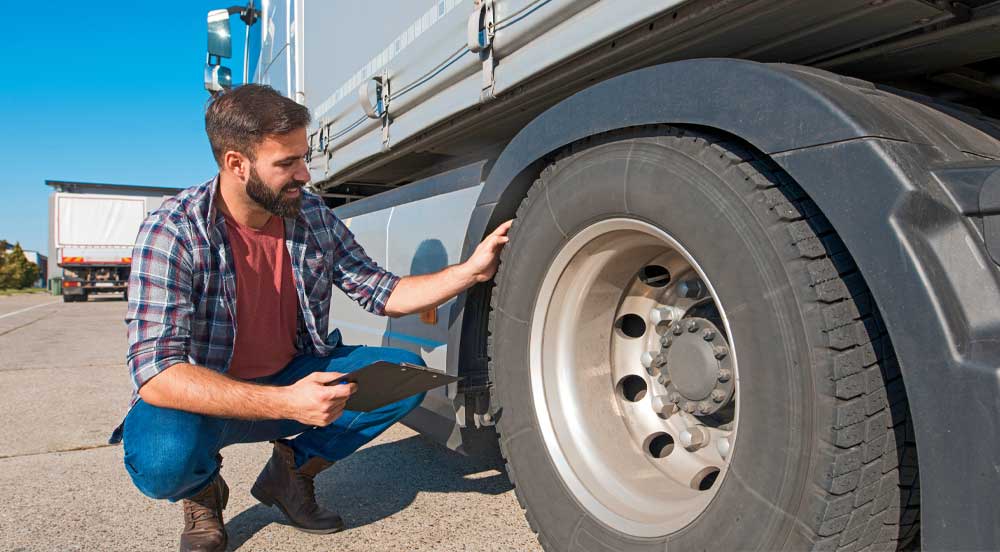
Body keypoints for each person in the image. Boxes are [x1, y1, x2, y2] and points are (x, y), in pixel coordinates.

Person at [108, 84, 513, 552]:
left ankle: (291, 473)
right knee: (162, 459)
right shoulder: (174, 231)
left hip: (292, 373)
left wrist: (470, 272)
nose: (304, 174)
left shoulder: (310, 214)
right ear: (236, 164)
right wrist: (286, 404)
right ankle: (200, 494)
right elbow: (157, 373)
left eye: (303, 157)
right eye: (287, 163)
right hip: (209, 396)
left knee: (401, 376)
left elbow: (382, 291)